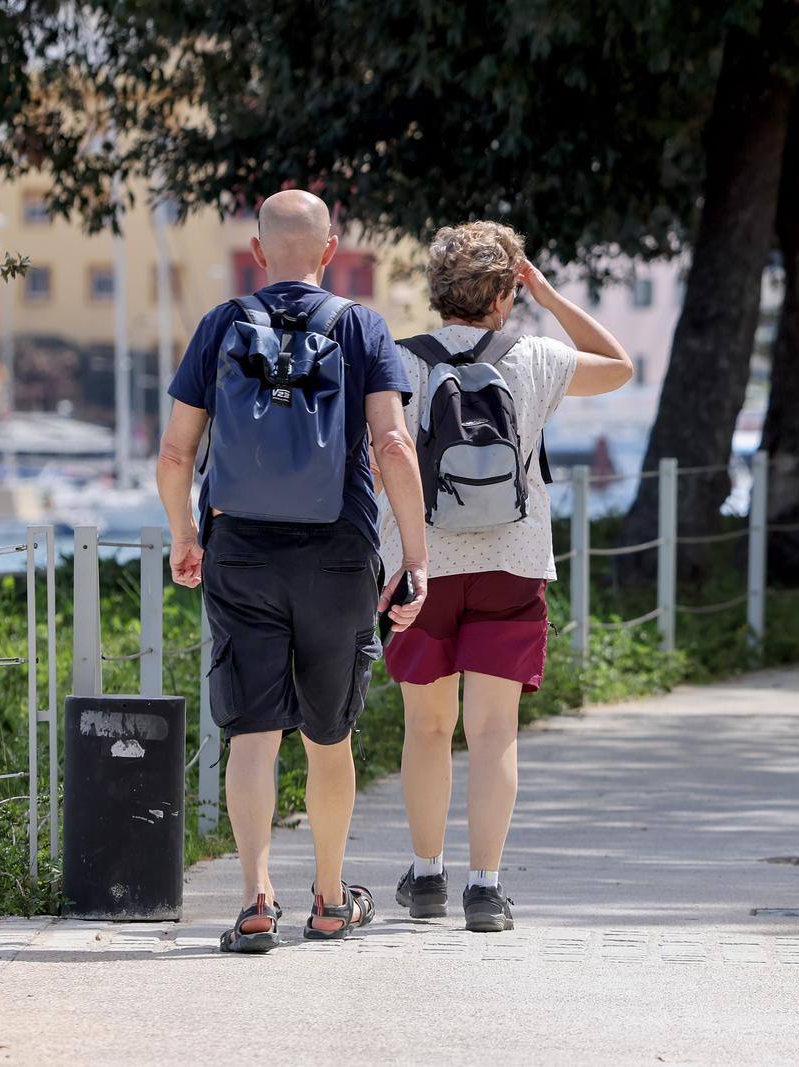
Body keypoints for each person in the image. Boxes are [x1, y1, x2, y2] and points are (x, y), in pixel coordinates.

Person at [157, 189, 428, 952]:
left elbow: (177, 452)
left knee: (252, 735)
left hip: (239, 550)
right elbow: (395, 446)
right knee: (328, 737)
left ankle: (252, 899)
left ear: (256, 253)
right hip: (339, 552)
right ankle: (332, 899)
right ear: (331, 250)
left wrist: (185, 534)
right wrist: (416, 556)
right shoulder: (363, 326)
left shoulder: (220, 325)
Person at [377, 221, 632, 932]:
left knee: (427, 728)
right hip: (512, 564)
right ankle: (485, 890)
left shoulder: (399, 361)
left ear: (436, 291)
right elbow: (619, 365)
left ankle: (427, 876)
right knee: (494, 733)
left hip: (421, 564)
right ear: (505, 293)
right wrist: (547, 295)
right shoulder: (536, 357)